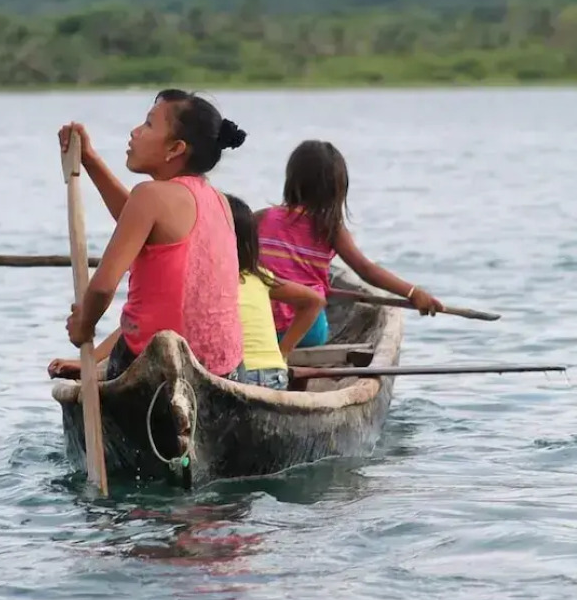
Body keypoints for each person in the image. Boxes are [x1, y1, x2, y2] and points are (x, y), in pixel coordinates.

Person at [49, 89, 247, 381]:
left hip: (158, 367)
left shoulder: (150, 196)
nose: (135, 132)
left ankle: (102, 370)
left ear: (175, 148)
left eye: (149, 125)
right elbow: (135, 221)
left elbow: (103, 288)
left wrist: (84, 325)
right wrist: (89, 160)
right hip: (225, 367)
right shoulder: (219, 201)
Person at [258, 140, 443, 348]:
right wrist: (413, 293)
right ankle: (300, 378)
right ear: (337, 190)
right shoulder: (329, 228)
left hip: (261, 327)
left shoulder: (262, 218)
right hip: (307, 330)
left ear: (291, 181)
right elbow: (365, 270)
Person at [226, 194, 324, 391]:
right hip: (275, 376)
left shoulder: (213, 279)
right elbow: (315, 301)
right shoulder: (260, 276)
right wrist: (283, 353)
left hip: (238, 377)